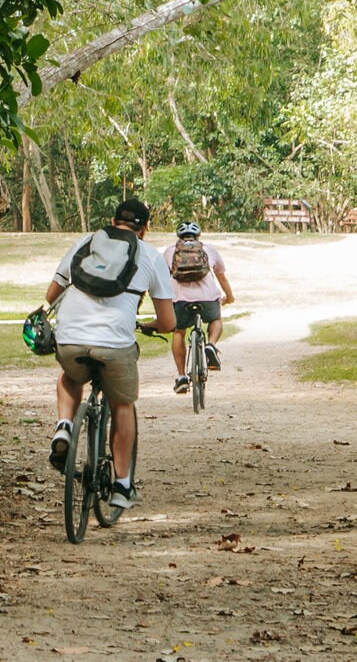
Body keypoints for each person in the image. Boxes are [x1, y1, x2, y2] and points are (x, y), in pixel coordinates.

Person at [44, 198, 177, 518]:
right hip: (115, 342)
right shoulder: (150, 255)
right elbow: (169, 323)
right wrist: (149, 326)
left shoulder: (87, 242)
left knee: (70, 376)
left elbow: (51, 294)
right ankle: (121, 485)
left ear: (113, 220)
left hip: (70, 336)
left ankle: (64, 425)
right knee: (122, 405)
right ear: (144, 229)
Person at [161, 221, 234, 392]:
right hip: (208, 298)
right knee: (215, 319)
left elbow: (163, 279)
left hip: (180, 300)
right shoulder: (209, 250)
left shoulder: (169, 252)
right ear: (198, 235)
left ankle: (181, 377)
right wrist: (229, 297)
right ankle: (212, 345)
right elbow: (221, 276)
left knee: (179, 331)